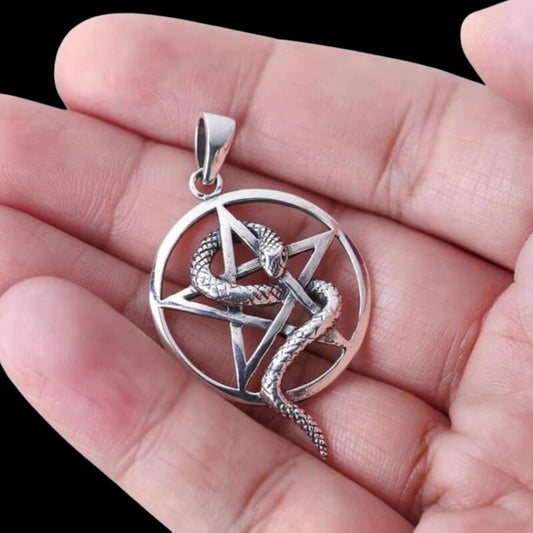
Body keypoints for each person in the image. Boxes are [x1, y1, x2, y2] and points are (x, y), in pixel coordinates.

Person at [1, 2, 532, 531]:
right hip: (257, 298)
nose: (276, 272)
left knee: (311, 306)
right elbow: (244, 284)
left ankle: (279, 388)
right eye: (272, 262)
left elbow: (281, 279)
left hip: (307, 306)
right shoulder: (227, 261)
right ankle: (275, 387)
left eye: (275, 262)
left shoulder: (281, 264)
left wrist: (280, 281)